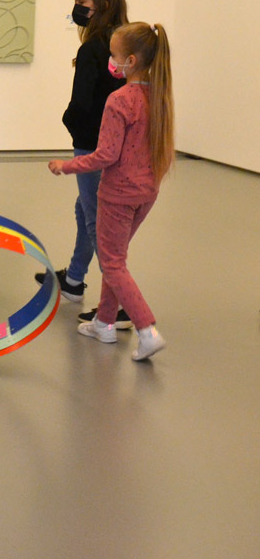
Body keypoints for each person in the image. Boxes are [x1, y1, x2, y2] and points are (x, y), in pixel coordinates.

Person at [48, 22, 172, 361]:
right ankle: (104, 322)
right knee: (114, 254)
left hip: (118, 193)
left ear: (130, 61)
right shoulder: (159, 96)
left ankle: (147, 330)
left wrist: (66, 165)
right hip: (146, 192)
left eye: (114, 55)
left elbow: (106, 155)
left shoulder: (119, 100)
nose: (111, 62)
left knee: (113, 263)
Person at [35, 0, 130, 317]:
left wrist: (72, 125)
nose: (76, 9)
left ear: (102, 5)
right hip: (121, 144)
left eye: (81, 3)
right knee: (85, 209)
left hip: (92, 144)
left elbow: (82, 104)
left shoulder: (92, 48)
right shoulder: (127, 43)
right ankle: (74, 278)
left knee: (97, 221)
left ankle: (119, 304)